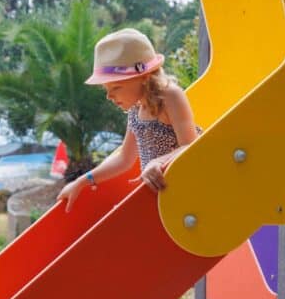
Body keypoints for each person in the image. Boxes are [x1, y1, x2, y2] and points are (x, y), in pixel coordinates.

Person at [57, 28, 200, 212]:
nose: (109, 96)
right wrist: (82, 181)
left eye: (116, 87)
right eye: (105, 89)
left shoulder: (170, 96)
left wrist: (157, 162)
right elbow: (125, 158)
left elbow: (190, 145)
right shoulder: (136, 108)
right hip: (163, 194)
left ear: (143, 77)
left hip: (188, 189)